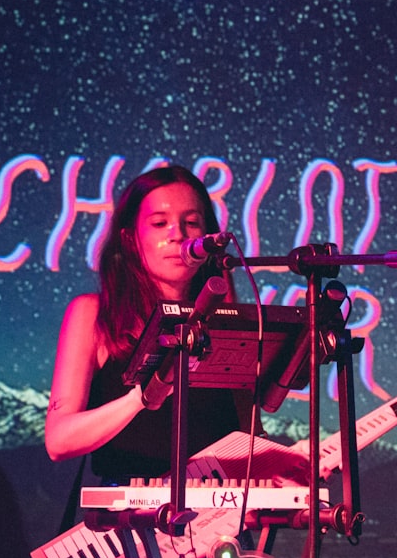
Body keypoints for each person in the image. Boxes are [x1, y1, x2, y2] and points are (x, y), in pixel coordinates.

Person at [44, 165, 250, 482]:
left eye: (192, 223)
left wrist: (278, 467)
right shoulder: (94, 314)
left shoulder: (226, 322)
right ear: (129, 238)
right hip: (129, 521)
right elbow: (59, 442)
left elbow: (236, 442)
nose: (178, 234)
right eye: (159, 223)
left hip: (220, 521)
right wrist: (140, 398)